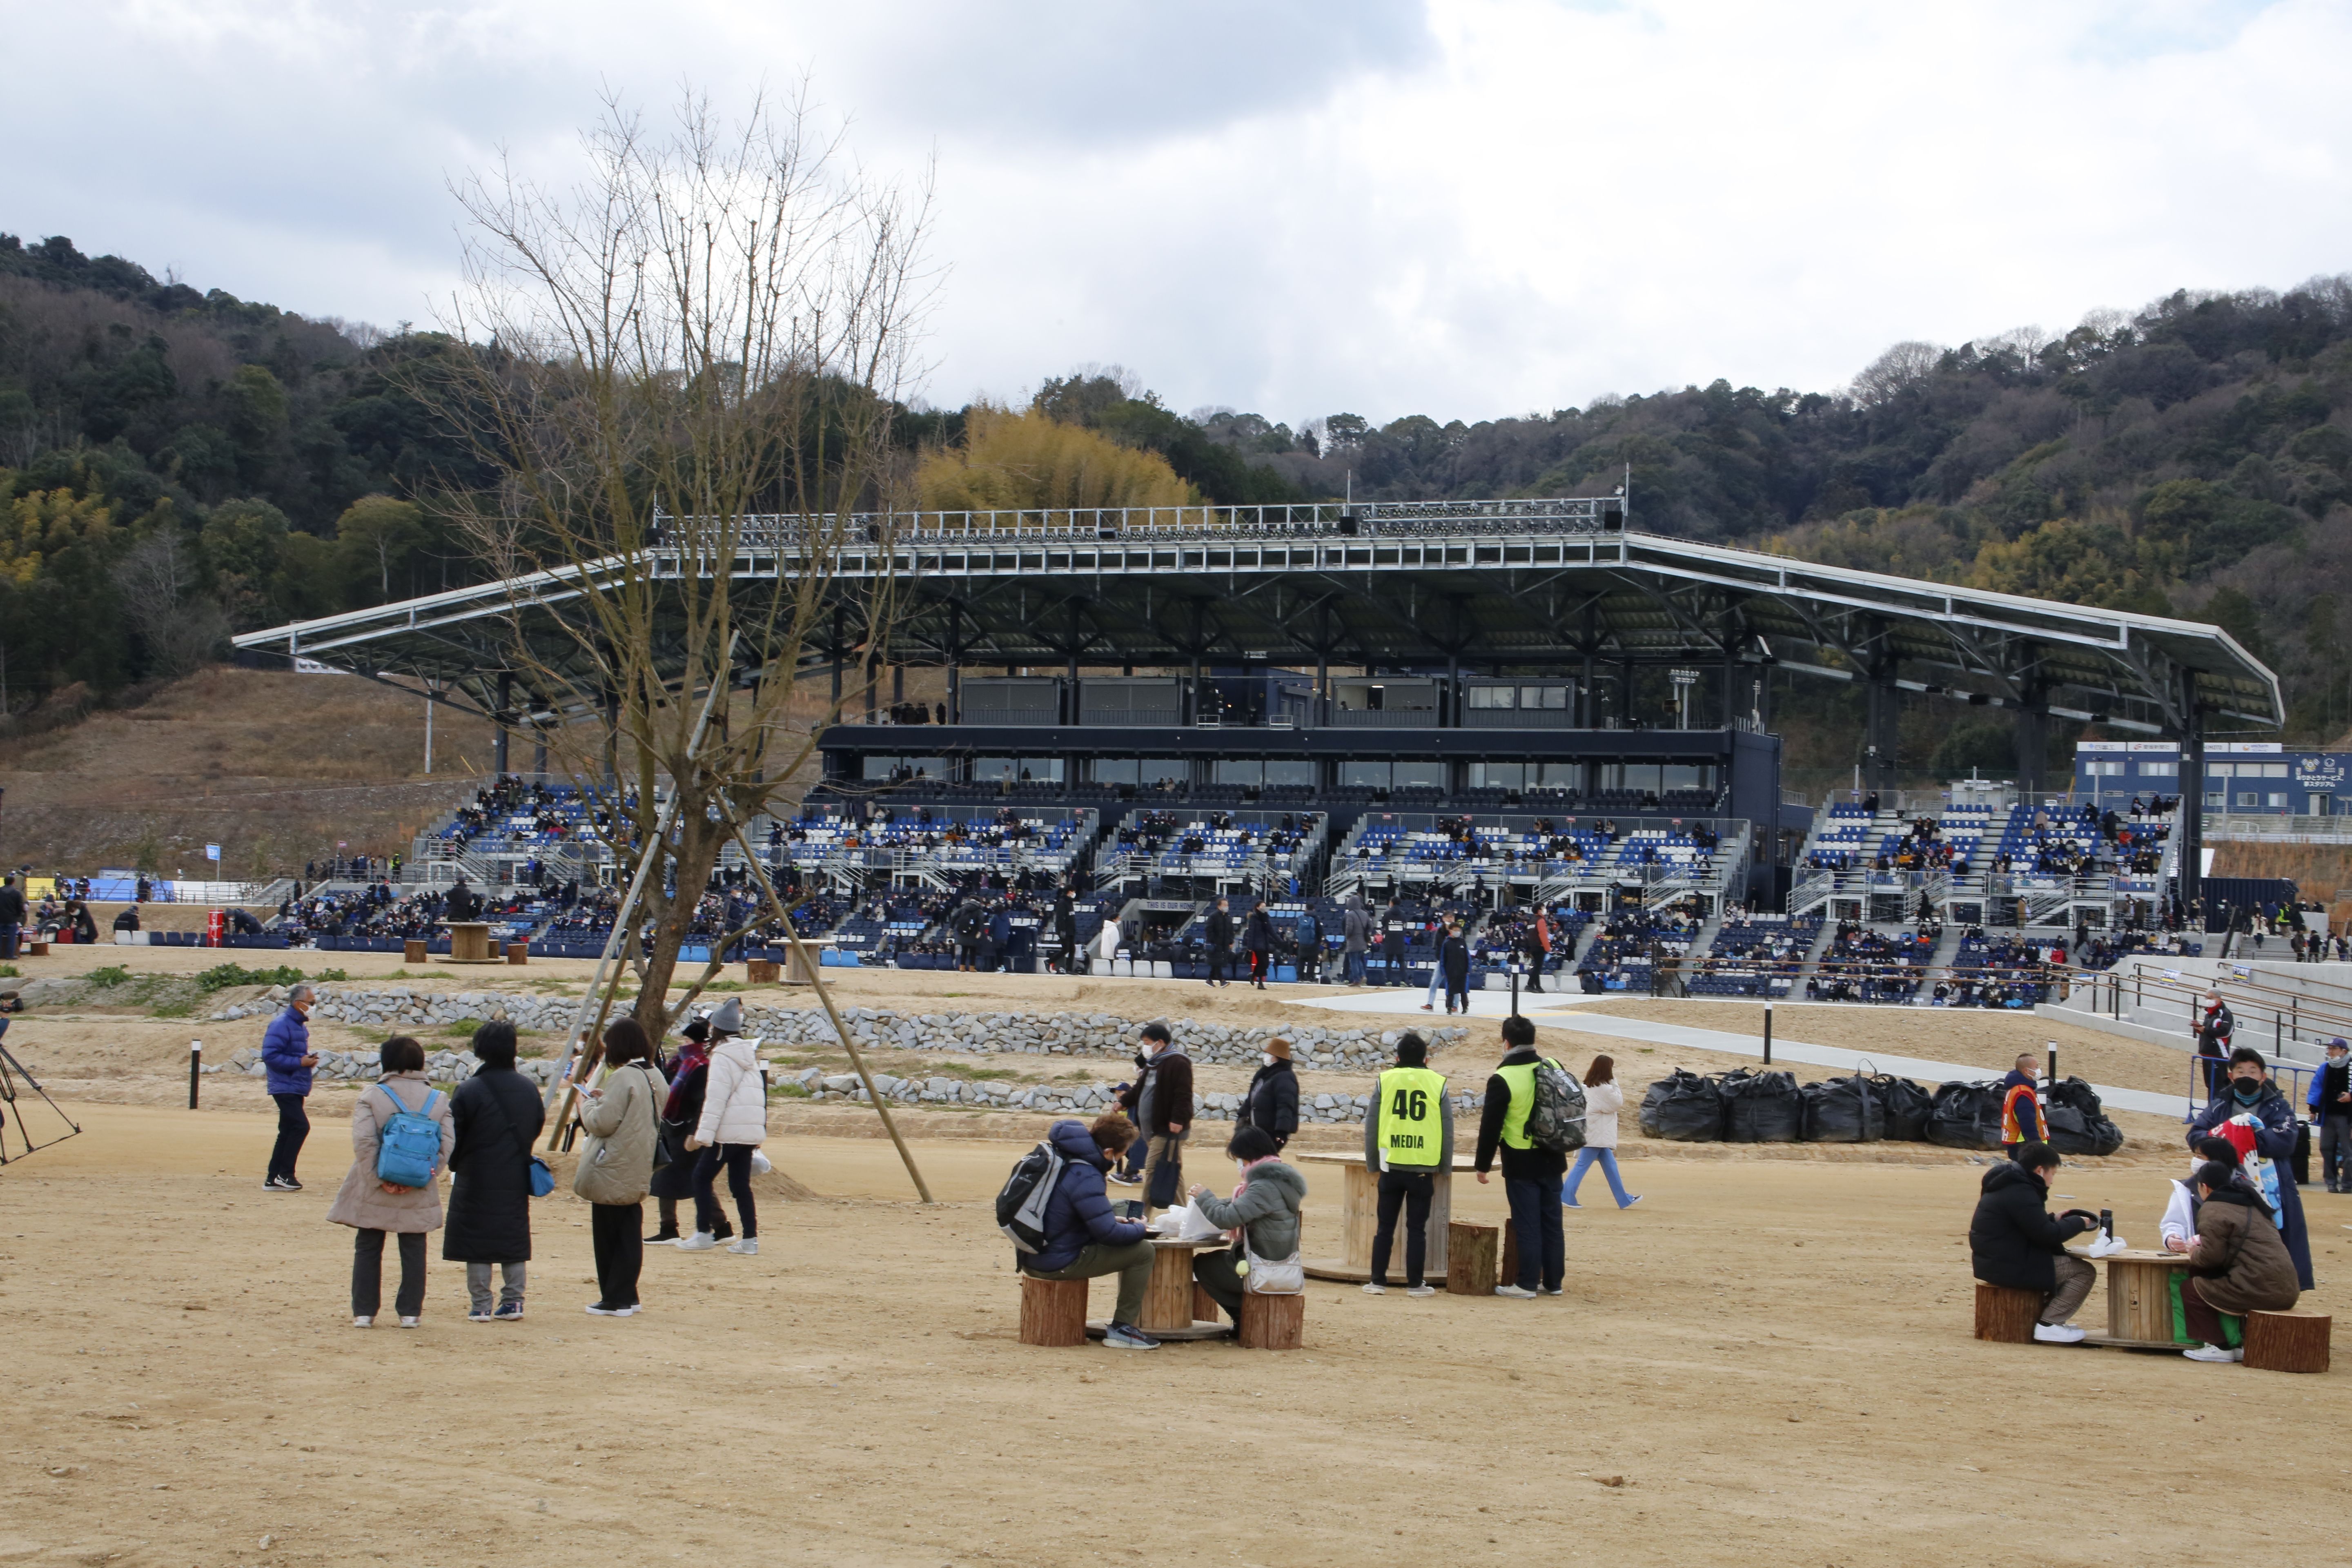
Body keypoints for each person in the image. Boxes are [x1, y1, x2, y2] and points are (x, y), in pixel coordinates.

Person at [325, 1036, 453, 1328]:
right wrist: (424, 1176)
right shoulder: (438, 1099)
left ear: (387, 1063)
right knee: (413, 1245)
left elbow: (364, 1141)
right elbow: (446, 1145)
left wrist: (378, 1180)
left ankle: (364, 1313)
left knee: (369, 1244)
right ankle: (410, 1313)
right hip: (419, 1183)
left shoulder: (373, 1095)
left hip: (375, 1182)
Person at [1018, 1113, 1159, 1350]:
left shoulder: (1063, 1159)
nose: (1122, 1158)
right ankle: (1122, 1328)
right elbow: (1109, 1235)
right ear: (1109, 1152)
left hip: (1032, 1255)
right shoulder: (1088, 1175)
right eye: (1123, 1153)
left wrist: (1109, 1219)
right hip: (1057, 1262)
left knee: (1119, 1218)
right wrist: (1140, 1229)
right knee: (1144, 1252)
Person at [2188, 1046, 2314, 1290]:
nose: (2247, 1076)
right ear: (2231, 1074)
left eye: (2253, 1071)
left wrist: (2241, 1138)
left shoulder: (2279, 1107)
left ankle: (2281, 1286)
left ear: (2263, 1076)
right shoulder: (2219, 1105)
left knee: (2277, 1234)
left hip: (2273, 1186)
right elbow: (2196, 1135)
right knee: (2226, 1233)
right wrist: (2230, 1136)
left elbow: (2286, 1140)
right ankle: (2226, 1282)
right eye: (2241, 1070)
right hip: (2225, 1185)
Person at [444, 1020, 545, 1321]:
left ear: (480, 1050)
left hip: (475, 1174)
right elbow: (536, 1125)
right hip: (514, 1174)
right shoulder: (529, 1089)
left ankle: (481, 1304)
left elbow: (454, 1134)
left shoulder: (469, 1089)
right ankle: (514, 1302)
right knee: (512, 1237)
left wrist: (456, 1163)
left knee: (477, 1240)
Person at [570, 1017, 666, 1316]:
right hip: (639, 1161)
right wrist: (606, 1099)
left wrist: (586, 1103)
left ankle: (615, 1297)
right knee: (629, 1229)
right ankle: (628, 1293)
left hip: (613, 1163)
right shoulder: (655, 1074)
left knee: (608, 1232)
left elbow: (601, 1123)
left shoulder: (624, 1076)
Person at [1966, 1140, 2098, 1343]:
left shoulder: (2008, 1183)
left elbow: (2027, 1225)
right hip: (2007, 1265)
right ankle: (2050, 1324)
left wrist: (2053, 1219)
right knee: (2083, 1272)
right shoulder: (2021, 1191)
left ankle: (2047, 1321)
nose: (2052, 1180)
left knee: (2065, 1266)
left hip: (1995, 1260)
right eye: (2053, 1173)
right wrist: (2079, 1223)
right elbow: (2048, 1236)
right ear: (2040, 1171)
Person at [1474, 1013, 1567, 1299]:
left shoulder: (1502, 1078)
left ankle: (1527, 1283)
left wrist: (1483, 1165)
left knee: (1528, 1223)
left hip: (1521, 1160)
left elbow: (1491, 1126)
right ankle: (1553, 1282)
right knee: (1552, 1222)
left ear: (1506, 1042)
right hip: (1553, 1155)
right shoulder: (1553, 1066)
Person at [2178, 1157, 2301, 1362]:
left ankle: (2219, 1347)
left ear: (2204, 1187)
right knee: (2221, 1280)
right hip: (2288, 1288)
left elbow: (2210, 1258)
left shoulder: (2213, 1209)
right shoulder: (2252, 1203)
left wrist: (2193, 1252)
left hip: (2260, 1289)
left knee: (2192, 1288)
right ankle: (2241, 1344)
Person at [1361, 1031, 1452, 1296]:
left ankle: (1377, 1281)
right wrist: (1445, 1167)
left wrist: (1372, 1164)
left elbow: (1372, 1125)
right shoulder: (1438, 1083)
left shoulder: (1385, 1080)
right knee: (1417, 1229)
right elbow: (1448, 1129)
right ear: (1426, 1059)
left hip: (1391, 1165)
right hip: (1423, 1169)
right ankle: (1415, 1284)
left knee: (1385, 1227)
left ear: (1398, 1057)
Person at [1188, 1125, 1307, 1323]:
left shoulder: (1263, 1186)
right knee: (1217, 1260)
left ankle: (1243, 1317)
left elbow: (1226, 1218)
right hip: (1278, 1263)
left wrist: (1204, 1197)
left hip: (1262, 1269)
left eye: (1238, 1159)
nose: (1239, 1164)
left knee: (1203, 1265)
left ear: (1249, 1157)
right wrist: (1213, 1201)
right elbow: (1240, 1204)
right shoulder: (1281, 1180)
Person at [680, 998, 766, 1256]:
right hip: (748, 1133)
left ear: (715, 1029)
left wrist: (701, 1136)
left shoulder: (721, 1057)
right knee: (741, 1186)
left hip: (728, 1133)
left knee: (701, 1177)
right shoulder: (747, 1056)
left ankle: (704, 1233)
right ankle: (750, 1240)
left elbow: (715, 1100)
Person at [648, 1016, 729, 1244]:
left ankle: (673, 1229)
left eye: (685, 1039)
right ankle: (718, 1227)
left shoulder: (700, 1067)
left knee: (684, 1178)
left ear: (694, 1041)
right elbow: (668, 1083)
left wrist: (695, 1133)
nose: (681, 1043)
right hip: (673, 1129)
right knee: (681, 1178)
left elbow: (702, 1102)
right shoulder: (681, 1063)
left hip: (686, 1133)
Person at [260, 983, 321, 1191]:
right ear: (298, 1004)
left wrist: (306, 1060)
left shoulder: (299, 1026)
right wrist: (299, 1063)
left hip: (294, 1085)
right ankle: (285, 1175)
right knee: (300, 1126)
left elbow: (289, 1053)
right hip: (284, 1085)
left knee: (287, 1130)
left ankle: (273, 1178)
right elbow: (270, 1056)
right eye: (311, 1003)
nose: (314, 1006)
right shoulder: (281, 1024)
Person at [1562, 1054, 1639, 1209]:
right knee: (1583, 1165)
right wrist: (1614, 1081)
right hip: (1597, 1134)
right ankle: (1566, 1196)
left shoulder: (1588, 1086)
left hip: (1594, 1132)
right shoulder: (1604, 1088)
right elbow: (1618, 1103)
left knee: (1611, 1166)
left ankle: (1624, 1199)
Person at [1132, 1020, 1193, 1210]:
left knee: (1153, 1169)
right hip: (1152, 1130)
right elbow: (1139, 1090)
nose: (1146, 1047)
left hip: (1167, 1129)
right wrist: (1122, 1101)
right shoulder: (1153, 1063)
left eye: (1148, 1042)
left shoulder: (1178, 1062)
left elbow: (1183, 1094)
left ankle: (1141, 1217)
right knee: (1172, 1169)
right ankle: (1183, 1215)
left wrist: (1177, 1119)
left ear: (1161, 1042)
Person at [2307, 1036, 2352, 1194]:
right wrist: (2313, 1110)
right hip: (2329, 1115)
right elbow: (2316, 1087)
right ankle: (2331, 1182)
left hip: (2347, 1117)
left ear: (2344, 1051)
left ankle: (2348, 1184)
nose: (2330, 1052)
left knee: (2349, 1151)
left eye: (2334, 1049)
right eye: (2329, 1049)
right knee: (2326, 1148)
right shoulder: (2325, 1068)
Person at [1239, 1036, 1299, 1152]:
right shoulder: (1263, 1074)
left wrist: (1281, 1132)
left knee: (1261, 1161)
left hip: (1270, 1132)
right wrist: (1242, 1116)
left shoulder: (1285, 1077)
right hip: (1255, 1129)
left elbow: (1286, 1106)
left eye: (1270, 1055)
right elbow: (1252, 1097)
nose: (1266, 1057)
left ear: (1277, 1058)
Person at [2000, 1051, 2046, 1162]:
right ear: (2026, 1071)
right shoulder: (2023, 1093)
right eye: (2036, 1067)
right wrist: (2037, 1146)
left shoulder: (2015, 1089)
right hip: (2025, 1146)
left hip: (2018, 1144)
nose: (2039, 1071)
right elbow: (2027, 1121)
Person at [2194, 992, 2234, 1098]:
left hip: (2219, 1054)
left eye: (2211, 998)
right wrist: (2200, 1028)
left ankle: (2220, 1108)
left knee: (2219, 1085)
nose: (2208, 1000)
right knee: (2210, 1085)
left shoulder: (2226, 1014)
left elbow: (2226, 1031)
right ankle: (2211, 1108)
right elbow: (2208, 1031)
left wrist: (2205, 1030)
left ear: (2219, 999)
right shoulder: (2208, 1014)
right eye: (2207, 998)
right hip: (2206, 1053)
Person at [1438, 919, 1472, 1015]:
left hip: (1462, 971)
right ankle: (1449, 1007)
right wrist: (1443, 971)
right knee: (1450, 991)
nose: (1457, 932)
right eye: (1455, 930)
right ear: (1451, 931)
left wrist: (1468, 969)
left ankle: (1465, 1007)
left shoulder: (1463, 942)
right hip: (1451, 971)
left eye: (1459, 930)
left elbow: (1467, 957)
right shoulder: (1447, 943)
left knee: (1463, 991)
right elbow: (1443, 959)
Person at [1204, 897, 1236, 988]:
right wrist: (1214, 940)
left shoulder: (1229, 918)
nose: (1227, 907)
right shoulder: (1213, 917)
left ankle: (1209, 979)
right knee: (1217, 962)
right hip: (1216, 944)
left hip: (1225, 945)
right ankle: (1222, 980)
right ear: (1219, 906)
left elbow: (1231, 931)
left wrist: (1231, 941)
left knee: (1218, 963)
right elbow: (1208, 930)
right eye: (1224, 905)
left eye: (1227, 905)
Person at [1243, 902, 1275, 989]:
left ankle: (1253, 975)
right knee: (1262, 963)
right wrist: (1250, 947)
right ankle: (1260, 982)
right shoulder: (1254, 918)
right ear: (1257, 907)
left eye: (1265, 906)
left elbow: (1270, 931)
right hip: (1257, 945)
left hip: (1265, 944)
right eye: (1262, 906)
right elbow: (1251, 933)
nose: (1264, 908)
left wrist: (1279, 941)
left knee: (1265, 964)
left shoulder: (1266, 917)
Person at [1342, 894, 1371, 987]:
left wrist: (1347, 937)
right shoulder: (1365, 914)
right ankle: (1363, 975)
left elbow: (1349, 929)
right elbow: (1370, 926)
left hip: (1353, 941)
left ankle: (1357, 980)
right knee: (1359, 960)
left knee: (1354, 961)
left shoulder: (1350, 914)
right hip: (1362, 941)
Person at [0, 873, 23, 961]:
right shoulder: (17, 893)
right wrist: (18, 916)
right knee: (12, 938)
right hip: (12, 918)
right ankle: (10, 955)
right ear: (13, 883)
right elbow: (20, 906)